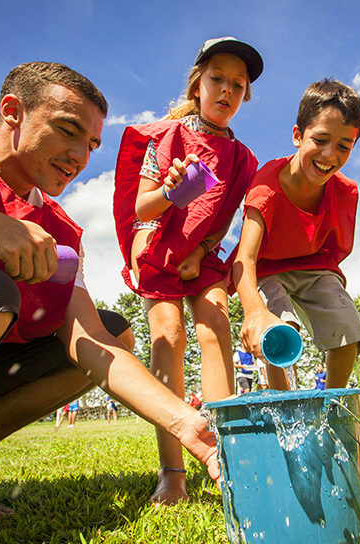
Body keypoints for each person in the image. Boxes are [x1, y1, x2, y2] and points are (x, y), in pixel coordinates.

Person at [0, 62, 219, 518]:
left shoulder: (63, 232)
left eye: (91, 144)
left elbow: (89, 341)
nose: (80, 157)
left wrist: (186, 422)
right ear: (12, 112)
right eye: (68, 131)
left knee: (114, 332)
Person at [113, 37, 263, 505]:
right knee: (168, 335)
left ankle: (227, 453)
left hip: (203, 255)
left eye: (238, 85)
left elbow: (224, 216)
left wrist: (203, 249)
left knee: (216, 324)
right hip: (159, 249)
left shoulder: (242, 159)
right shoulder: (167, 138)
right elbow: (142, 204)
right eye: (217, 79)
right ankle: (173, 470)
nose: (227, 90)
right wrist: (172, 194)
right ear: (198, 83)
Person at [233, 78, 360, 391]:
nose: (329, 155)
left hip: (314, 266)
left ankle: (335, 407)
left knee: (347, 327)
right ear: (298, 135)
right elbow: (245, 258)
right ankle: (286, 407)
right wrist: (254, 311)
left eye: (344, 146)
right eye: (320, 140)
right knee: (280, 329)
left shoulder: (345, 192)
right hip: (266, 269)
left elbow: (335, 250)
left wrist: (328, 286)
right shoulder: (267, 185)